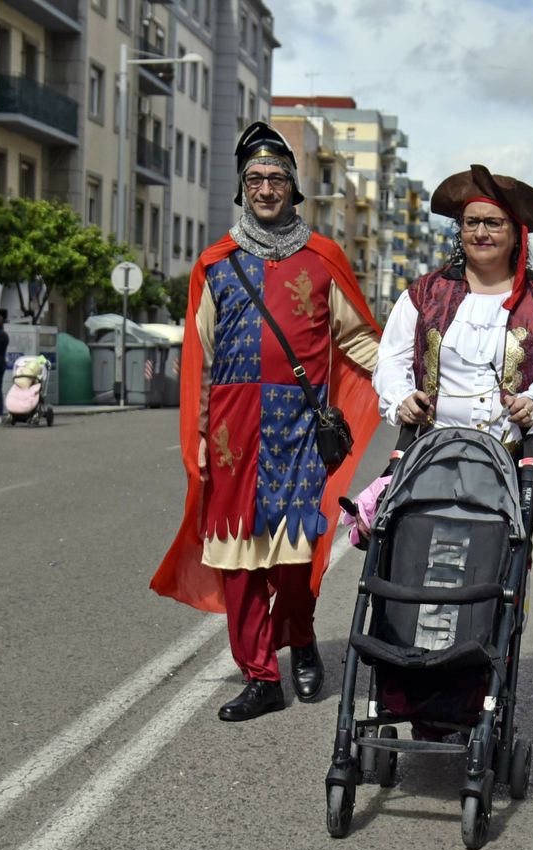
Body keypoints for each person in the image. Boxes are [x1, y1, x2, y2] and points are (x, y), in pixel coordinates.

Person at [152, 122, 383, 722]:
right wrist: (199, 437)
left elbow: (358, 338)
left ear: (292, 187)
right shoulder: (215, 263)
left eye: (276, 178)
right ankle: (260, 674)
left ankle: (301, 642)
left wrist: (416, 386)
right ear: (242, 188)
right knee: (236, 555)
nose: (264, 188)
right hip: (232, 431)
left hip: (298, 427)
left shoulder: (323, 258)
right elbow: (198, 359)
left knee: (292, 552)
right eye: (254, 179)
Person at [374, 163, 533, 453]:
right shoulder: (425, 292)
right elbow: (391, 359)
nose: (480, 232)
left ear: (516, 234)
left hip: (515, 462)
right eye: (471, 222)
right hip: (432, 458)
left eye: (493, 223)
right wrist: (401, 396)